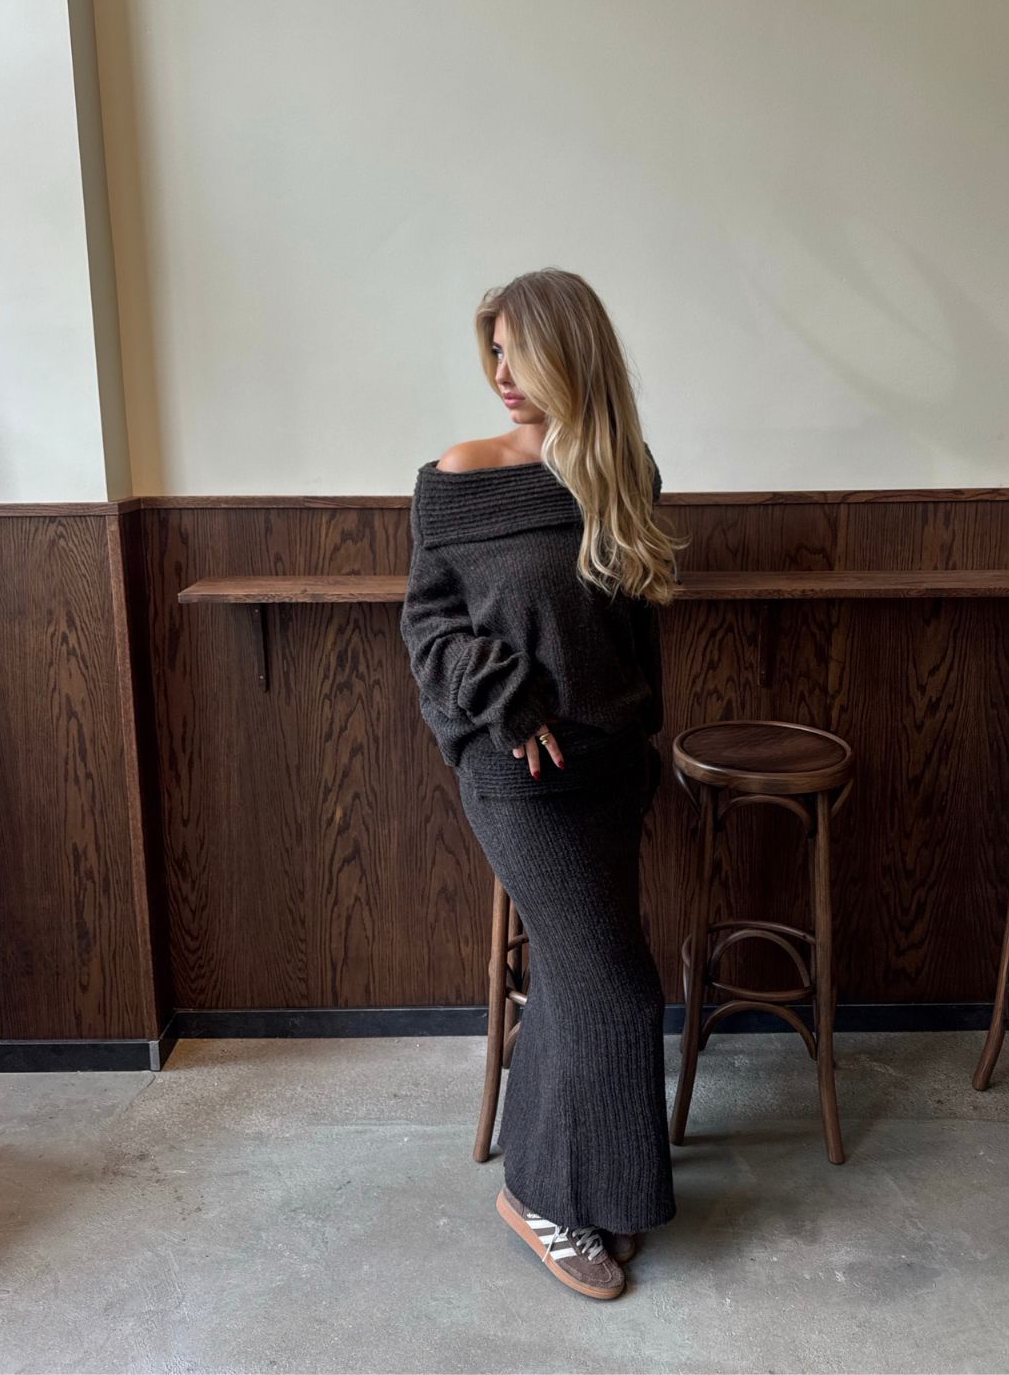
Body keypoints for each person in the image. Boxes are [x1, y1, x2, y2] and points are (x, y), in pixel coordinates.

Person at [399, 267, 688, 1300]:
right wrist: (509, 701)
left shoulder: (622, 472)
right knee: (619, 989)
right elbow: (428, 626)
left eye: (519, 350)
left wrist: (639, 741)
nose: (502, 372)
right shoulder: (460, 476)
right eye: (494, 351)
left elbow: (634, 633)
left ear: (573, 354)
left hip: (610, 770)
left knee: (574, 977)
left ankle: (568, 1190)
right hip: (515, 770)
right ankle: (547, 1201)